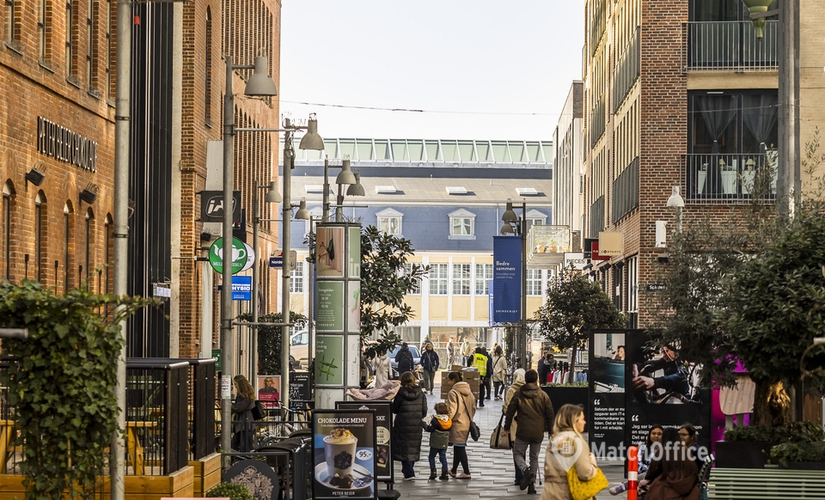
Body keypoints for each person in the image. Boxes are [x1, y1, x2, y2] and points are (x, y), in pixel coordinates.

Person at [504, 369, 555, 494]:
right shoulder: (543, 395)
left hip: (523, 430)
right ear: (537, 379)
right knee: (534, 457)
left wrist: (507, 427)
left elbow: (510, 411)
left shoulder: (519, 394)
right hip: (538, 431)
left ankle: (525, 471)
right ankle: (531, 486)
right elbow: (550, 414)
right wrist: (551, 431)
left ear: (525, 380)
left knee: (517, 453)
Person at [542, 404, 600, 500]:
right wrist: (593, 463)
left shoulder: (554, 441)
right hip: (571, 494)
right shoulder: (578, 442)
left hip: (551, 493)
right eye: (582, 419)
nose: (585, 422)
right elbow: (585, 473)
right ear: (574, 421)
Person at [641, 427, 700, 500]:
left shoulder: (662, 452)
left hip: (664, 493)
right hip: (690, 493)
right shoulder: (686, 452)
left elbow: (651, 474)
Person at [391, 371, 428, 480]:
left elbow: (394, 409)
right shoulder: (420, 393)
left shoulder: (399, 393)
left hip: (402, 424)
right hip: (416, 425)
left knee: (404, 447)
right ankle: (408, 468)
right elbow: (424, 411)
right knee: (413, 447)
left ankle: (409, 473)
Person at [609, 424, 664, 495]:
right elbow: (639, 464)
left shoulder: (666, 449)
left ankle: (625, 485)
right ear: (649, 435)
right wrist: (649, 470)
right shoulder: (643, 447)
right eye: (653, 433)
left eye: (659, 434)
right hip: (645, 475)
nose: (656, 436)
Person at [446, 371, 476, 479]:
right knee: (458, 447)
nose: (448, 382)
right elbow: (473, 407)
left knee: (460, 448)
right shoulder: (469, 392)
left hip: (457, 424)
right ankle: (453, 470)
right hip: (466, 423)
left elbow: (452, 409)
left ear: (453, 380)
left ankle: (466, 472)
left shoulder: (453, 392)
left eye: (449, 380)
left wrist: (446, 419)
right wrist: (470, 418)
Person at [504, 368, 527, 486]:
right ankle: (525, 473)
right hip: (527, 424)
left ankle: (520, 476)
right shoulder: (529, 390)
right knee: (524, 452)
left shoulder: (512, 390)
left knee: (516, 451)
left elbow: (507, 409)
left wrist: (506, 426)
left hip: (514, 424)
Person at [424, 401, 452, 481]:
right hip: (444, 442)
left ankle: (433, 472)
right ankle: (445, 473)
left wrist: (425, 425)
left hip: (435, 442)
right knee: (443, 456)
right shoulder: (448, 420)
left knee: (432, 456)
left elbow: (430, 429)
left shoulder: (436, 420)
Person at [231, 375, 256, 452]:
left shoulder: (244, 395)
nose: (235, 386)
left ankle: (242, 460)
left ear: (240, 384)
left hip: (244, 423)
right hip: (244, 422)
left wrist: (229, 405)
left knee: (243, 446)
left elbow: (238, 408)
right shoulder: (244, 394)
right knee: (236, 444)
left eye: (236, 384)